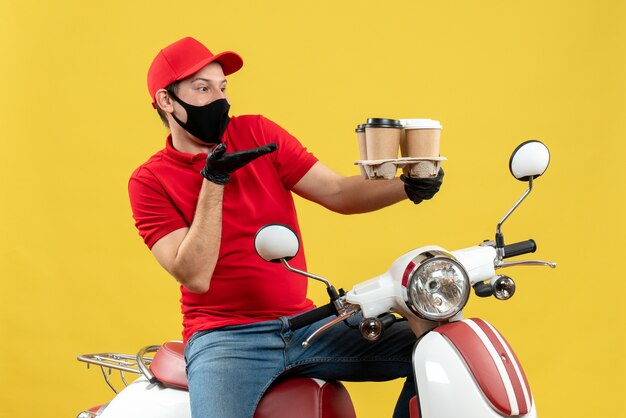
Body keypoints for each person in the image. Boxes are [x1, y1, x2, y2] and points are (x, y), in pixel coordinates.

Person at [128, 36, 444, 418]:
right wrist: (214, 182)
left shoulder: (258, 133)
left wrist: (407, 186)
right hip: (226, 340)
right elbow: (194, 276)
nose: (220, 99)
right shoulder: (149, 181)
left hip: (306, 326)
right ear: (166, 101)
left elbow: (338, 192)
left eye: (223, 87)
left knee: (437, 349)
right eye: (202, 88)